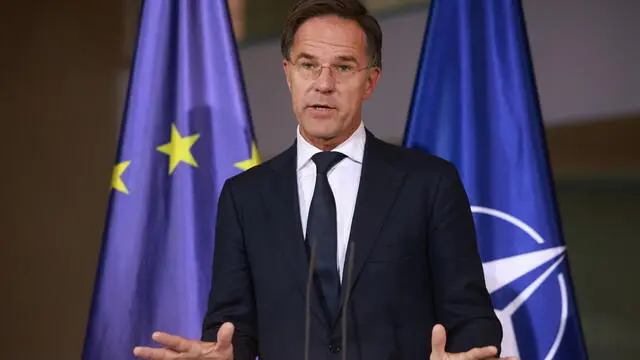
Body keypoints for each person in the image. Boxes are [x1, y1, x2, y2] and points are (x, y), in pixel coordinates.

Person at [133, 0, 516, 359]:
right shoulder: (245, 197)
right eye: (308, 65)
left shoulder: (429, 184)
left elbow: (471, 318)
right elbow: (233, 326)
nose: (324, 84)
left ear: (370, 81)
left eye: (344, 67)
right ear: (288, 74)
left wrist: (469, 352)